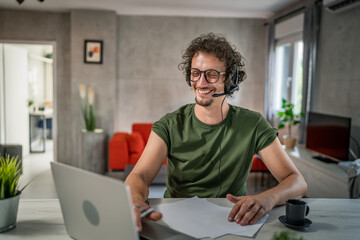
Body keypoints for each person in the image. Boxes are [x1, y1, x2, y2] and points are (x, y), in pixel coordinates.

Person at [125, 32, 307, 232]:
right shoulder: (170, 124)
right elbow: (139, 176)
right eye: (195, 73)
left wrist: (267, 199)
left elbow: (297, 181)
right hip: (177, 221)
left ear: (230, 80)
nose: (201, 83)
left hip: (233, 221)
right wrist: (135, 201)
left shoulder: (253, 124)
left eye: (211, 74)